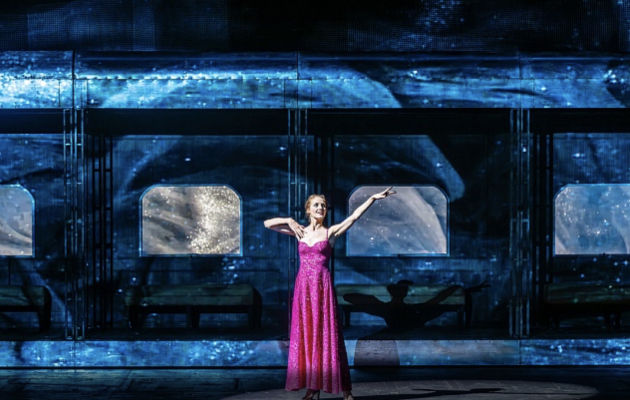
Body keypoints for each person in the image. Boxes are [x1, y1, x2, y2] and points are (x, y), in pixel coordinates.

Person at [264, 187, 396, 400]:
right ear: (308, 209)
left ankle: (345, 389)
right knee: (308, 336)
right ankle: (312, 387)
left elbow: (354, 217)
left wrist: (372, 198)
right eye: (316, 205)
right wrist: (289, 220)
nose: (320, 208)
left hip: (322, 289)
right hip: (303, 289)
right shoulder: (300, 232)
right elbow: (267, 224)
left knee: (328, 336)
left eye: (323, 206)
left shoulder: (330, 232)